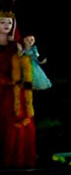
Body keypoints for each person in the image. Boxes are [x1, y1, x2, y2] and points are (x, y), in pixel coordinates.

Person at [0, 9, 37, 167]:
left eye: (9, 22)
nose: (6, 25)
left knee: (20, 124)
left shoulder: (16, 45)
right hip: (2, 92)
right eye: (2, 22)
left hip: (15, 93)